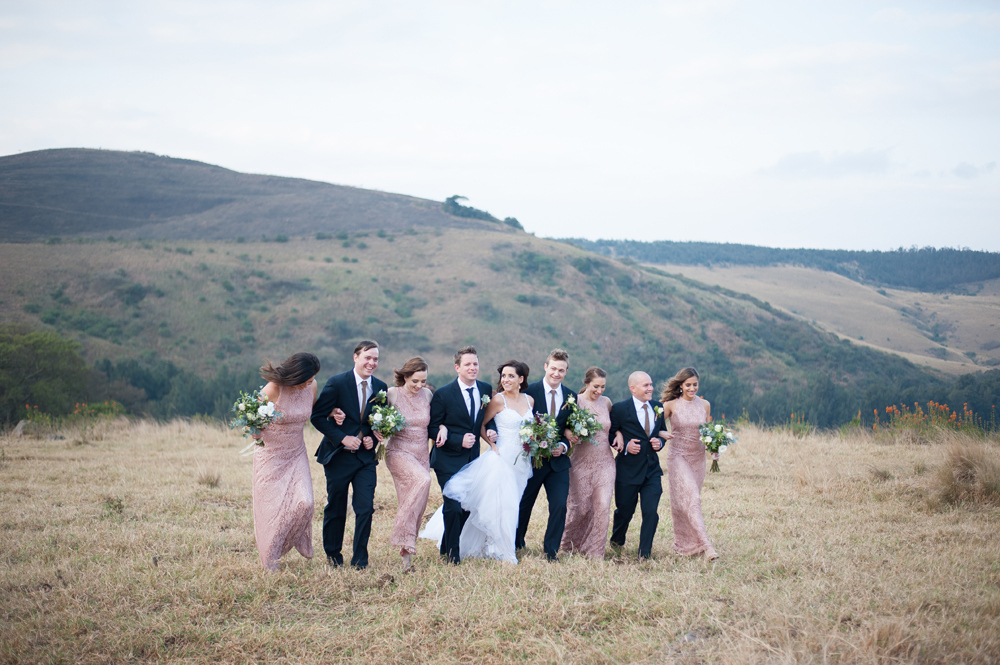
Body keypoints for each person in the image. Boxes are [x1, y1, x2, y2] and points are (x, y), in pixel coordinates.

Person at [439, 360, 534, 563]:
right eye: (504, 376)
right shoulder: (498, 400)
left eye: (511, 376)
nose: (506, 379)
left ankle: (493, 544)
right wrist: (491, 443)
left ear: (521, 379)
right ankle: (503, 551)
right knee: (504, 505)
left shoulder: (530, 401)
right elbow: (480, 424)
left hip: (522, 461)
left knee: (514, 503)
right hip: (502, 458)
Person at [310, 340, 387, 569]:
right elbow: (317, 417)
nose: (372, 363)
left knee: (365, 508)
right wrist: (342, 438)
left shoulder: (381, 387)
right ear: (355, 357)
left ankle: (360, 560)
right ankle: (333, 556)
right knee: (336, 507)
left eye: (375, 359)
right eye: (367, 358)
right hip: (338, 457)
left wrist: (371, 438)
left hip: (365, 460)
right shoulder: (337, 382)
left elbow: (377, 423)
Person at [251, 352, 321, 571]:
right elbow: (250, 420)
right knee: (272, 509)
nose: (309, 384)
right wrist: (254, 430)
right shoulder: (274, 388)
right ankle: (270, 558)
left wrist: (333, 414)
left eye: (311, 380)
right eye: (306, 380)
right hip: (271, 454)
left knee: (305, 502)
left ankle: (291, 539)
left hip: (296, 452)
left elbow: (313, 413)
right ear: (294, 375)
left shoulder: (311, 386)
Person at [427, 346, 496, 564]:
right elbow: (431, 428)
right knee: (453, 506)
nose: (473, 367)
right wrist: (457, 439)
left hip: (472, 461)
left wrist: (491, 429)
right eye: (467, 364)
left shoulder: (485, 389)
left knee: (465, 508)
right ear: (457, 368)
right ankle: (453, 555)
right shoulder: (443, 394)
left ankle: (447, 546)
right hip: (446, 459)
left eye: (475, 363)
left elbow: (486, 418)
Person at [376, 357, 436, 571]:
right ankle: (401, 529)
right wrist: (380, 429)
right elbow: (377, 418)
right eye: (415, 381)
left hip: (421, 452)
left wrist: (443, 430)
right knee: (423, 480)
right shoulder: (392, 393)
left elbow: (436, 423)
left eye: (423, 381)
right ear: (405, 377)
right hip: (399, 451)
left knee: (416, 501)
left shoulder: (428, 395)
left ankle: (406, 557)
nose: (419, 386)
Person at [517, 348, 576, 560]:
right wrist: (534, 445)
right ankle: (517, 542)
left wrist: (563, 446)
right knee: (524, 504)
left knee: (560, 505)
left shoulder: (571, 396)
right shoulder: (529, 392)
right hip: (532, 461)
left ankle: (551, 551)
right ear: (545, 367)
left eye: (561, 370)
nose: (556, 373)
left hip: (558, 463)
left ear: (566, 371)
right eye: (553, 368)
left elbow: (570, 429)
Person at [660, 367, 718, 560]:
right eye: (688, 385)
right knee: (693, 499)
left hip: (698, 458)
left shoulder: (705, 405)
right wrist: (661, 434)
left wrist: (715, 447)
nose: (692, 388)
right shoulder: (671, 404)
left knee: (686, 502)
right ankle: (707, 546)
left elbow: (708, 432)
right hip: (678, 457)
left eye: (695, 384)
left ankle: (686, 545)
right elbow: (656, 426)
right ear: (681, 385)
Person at [608, 371, 666, 559]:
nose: (651, 388)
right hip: (628, 470)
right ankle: (617, 541)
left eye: (651, 384)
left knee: (651, 512)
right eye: (646, 385)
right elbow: (610, 435)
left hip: (652, 470)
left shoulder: (658, 407)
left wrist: (660, 443)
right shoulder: (619, 409)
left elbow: (661, 432)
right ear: (633, 388)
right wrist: (625, 446)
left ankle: (644, 553)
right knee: (624, 511)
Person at [560, 366, 615, 559]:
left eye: (602, 387)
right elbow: (563, 426)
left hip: (605, 461)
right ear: (586, 384)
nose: (599, 391)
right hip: (580, 462)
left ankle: (595, 552)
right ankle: (568, 546)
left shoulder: (607, 403)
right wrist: (568, 433)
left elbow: (615, 426)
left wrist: (621, 435)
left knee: (602, 505)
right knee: (580, 507)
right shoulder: (575, 401)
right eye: (595, 386)